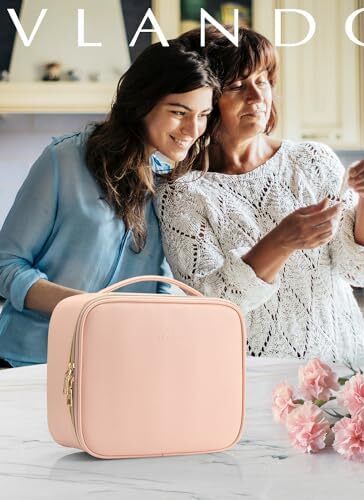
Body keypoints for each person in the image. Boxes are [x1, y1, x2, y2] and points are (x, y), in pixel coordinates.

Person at [155, 27, 364, 367]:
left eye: (263, 80)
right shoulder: (181, 193)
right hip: (248, 376)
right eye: (237, 86)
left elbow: (363, 270)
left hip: (341, 368)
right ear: (205, 98)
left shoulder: (312, 161)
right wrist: (281, 241)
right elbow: (212, 305)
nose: (257, 96)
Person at [0, 40, 219, 368]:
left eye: (203, 115)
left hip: (115, 369)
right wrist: (85, 309)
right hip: (29, 361)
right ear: (143, 102)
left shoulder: (170, 186)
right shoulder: (64, 160)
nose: (193, 129)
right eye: (179, 112)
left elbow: (159, 287)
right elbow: (6, 264)